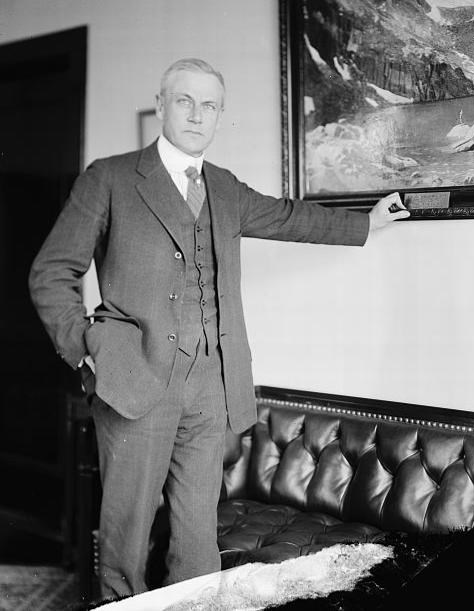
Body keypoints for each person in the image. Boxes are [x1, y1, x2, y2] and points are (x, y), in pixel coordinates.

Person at [28, 58, 409, 600]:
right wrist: (85, 347)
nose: (197, 114)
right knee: (125, 540)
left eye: (209, 105)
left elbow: (287, 217)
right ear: (161, 106)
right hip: (133, 382)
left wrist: (367, 223)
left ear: (219, 116)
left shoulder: (226, 188)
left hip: (212, 386)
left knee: (197, 541)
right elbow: (51, 271)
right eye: (185, 101)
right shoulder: (109, 178)